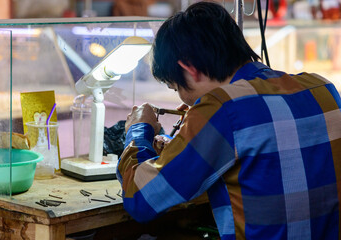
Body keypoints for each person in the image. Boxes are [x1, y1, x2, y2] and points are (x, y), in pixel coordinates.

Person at [117, 2, 341, 239]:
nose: (183, 99)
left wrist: (138, 130)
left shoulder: (222, 107)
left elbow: (141, 199)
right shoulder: (322, 87)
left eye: (176, 88)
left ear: (189, 68)